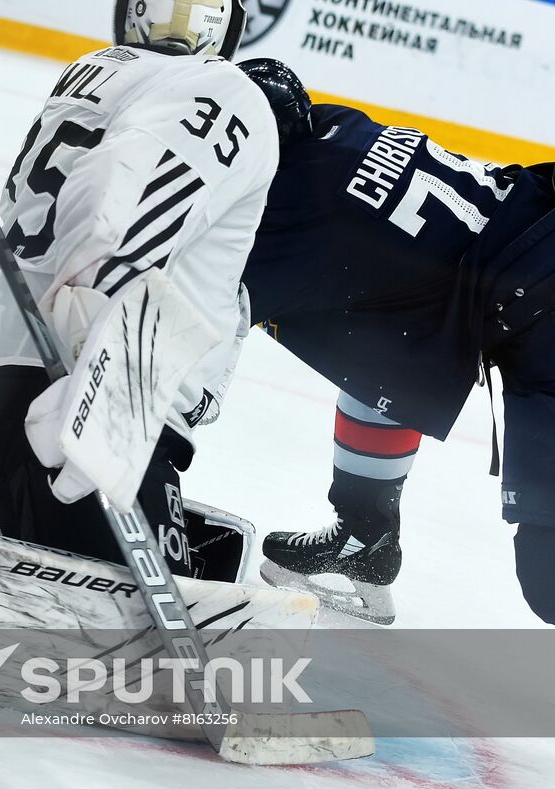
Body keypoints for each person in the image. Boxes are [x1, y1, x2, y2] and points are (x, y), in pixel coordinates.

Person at [0, 0, 277, 580]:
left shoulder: (96, 69)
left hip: (2, 376)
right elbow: (122, 206)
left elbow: (25, 228)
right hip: (79, 395)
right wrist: (103, 392)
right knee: (132, 623)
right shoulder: (227, 91)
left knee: (54, 536)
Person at [235, 58, 555, 625]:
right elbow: (392, 353)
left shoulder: (287, 216)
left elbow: (192, 317)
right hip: (532, 228)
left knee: (549, 579)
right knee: (383, 355)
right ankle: (365, 538)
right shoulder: (335, 125)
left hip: (540, 307)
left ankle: (366, 536)